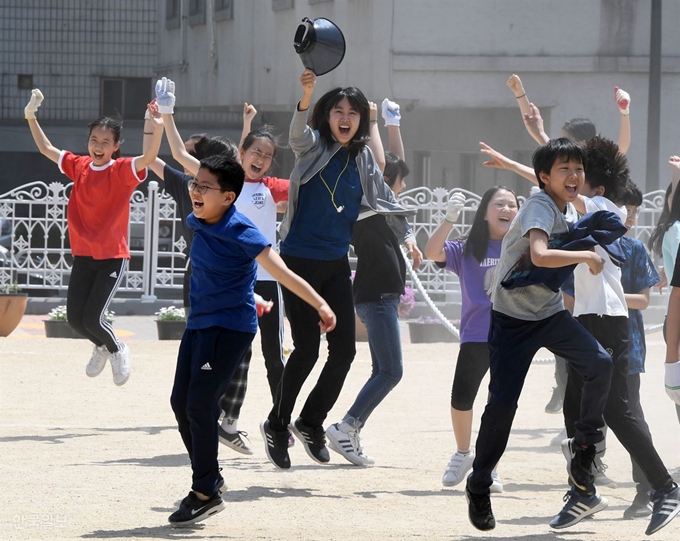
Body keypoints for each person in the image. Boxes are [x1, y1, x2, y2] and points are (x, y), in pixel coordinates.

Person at [260, 69, 420, 470]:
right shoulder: (312, 146)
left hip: (334, 263)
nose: (345, 117)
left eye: (352, 112)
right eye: (337, 111)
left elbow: (384, 199)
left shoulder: (364, 158)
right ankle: (277, 425)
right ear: (327, 117)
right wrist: (307, 95)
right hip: (296, 261)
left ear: (360, 121)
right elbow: (296, 134)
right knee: (307, 350)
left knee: (345, 351)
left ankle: (310, 422)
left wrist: (409, 236)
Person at [167, 153, 336, 526]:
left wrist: (320, 303)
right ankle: (209, 478)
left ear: (228, 197)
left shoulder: (240, 230)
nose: (195, 191)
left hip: (228, 330)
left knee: (199, 402)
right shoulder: (198, 219)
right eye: (196, 184)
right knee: (181, 402)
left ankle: (204, 491)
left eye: (204, 187)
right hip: (198, 326)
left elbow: (283, 273)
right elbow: (222, 273)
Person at [465, 138, 614, 532]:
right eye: (564, 169)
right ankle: (479, 485)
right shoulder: (539, 205)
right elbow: (540, 254)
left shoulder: (567, 203)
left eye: (578, 169)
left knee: (599, 364)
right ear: (546, 177)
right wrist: (585, 255)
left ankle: (583, 457)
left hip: (547, 314)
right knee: (503, 406)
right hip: (511, 320)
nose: (574, 176)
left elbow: (557, 181)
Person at [25, 89, 163, 385]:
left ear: (116, 146)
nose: (98, 146)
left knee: (92, 318)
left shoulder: (122, 170)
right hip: (84, 256)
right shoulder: (80, 166)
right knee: (74, 319)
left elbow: (150, 156)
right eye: (93, 140)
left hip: (112, 257)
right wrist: (30, 115)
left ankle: (117, 348)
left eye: (105, 142)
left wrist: (155, 123)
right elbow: (46, 148)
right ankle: (101, 346)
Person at [325, 98, 422, 466]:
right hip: (375, 295)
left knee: (383, 370)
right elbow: (383, 164)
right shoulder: (367, 205)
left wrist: (388, 124)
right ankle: (346, 427)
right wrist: (375, 121)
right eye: (398, 182)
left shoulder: (386, 211)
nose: (402, 185)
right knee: (391, 371)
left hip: (378, 296)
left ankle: (348, 429)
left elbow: (392, 164)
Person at [424, 186, 518, 493]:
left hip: (512, 335)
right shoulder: (467, 248)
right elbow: (433, 252)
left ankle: (489, 466)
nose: (506, 209)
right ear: (485, 211)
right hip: (476, 334)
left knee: (499, 403)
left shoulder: (522, 245)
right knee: (462, 397)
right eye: (499, 204)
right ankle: (463, 453)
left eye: (512, 205)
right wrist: (449, 218)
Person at [617, 183, 662, 519]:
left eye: (633, 210)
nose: (629, 216)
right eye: (624, 208)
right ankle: (582, 488)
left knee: (631, 415)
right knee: (583, 418)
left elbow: (643, 300)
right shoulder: (584, 247)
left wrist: (606, 293)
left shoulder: (634, 250)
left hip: (627, 346)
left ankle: (646, 488)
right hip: (587, 345)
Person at [506, 73, 631, 154]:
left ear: (584, 142)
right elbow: (535, 129)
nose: (561, 144)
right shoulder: (560, 157)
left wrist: (624, 112)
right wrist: (520, 94)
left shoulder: (599, 163)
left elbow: (622, 147)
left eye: (566, 140)